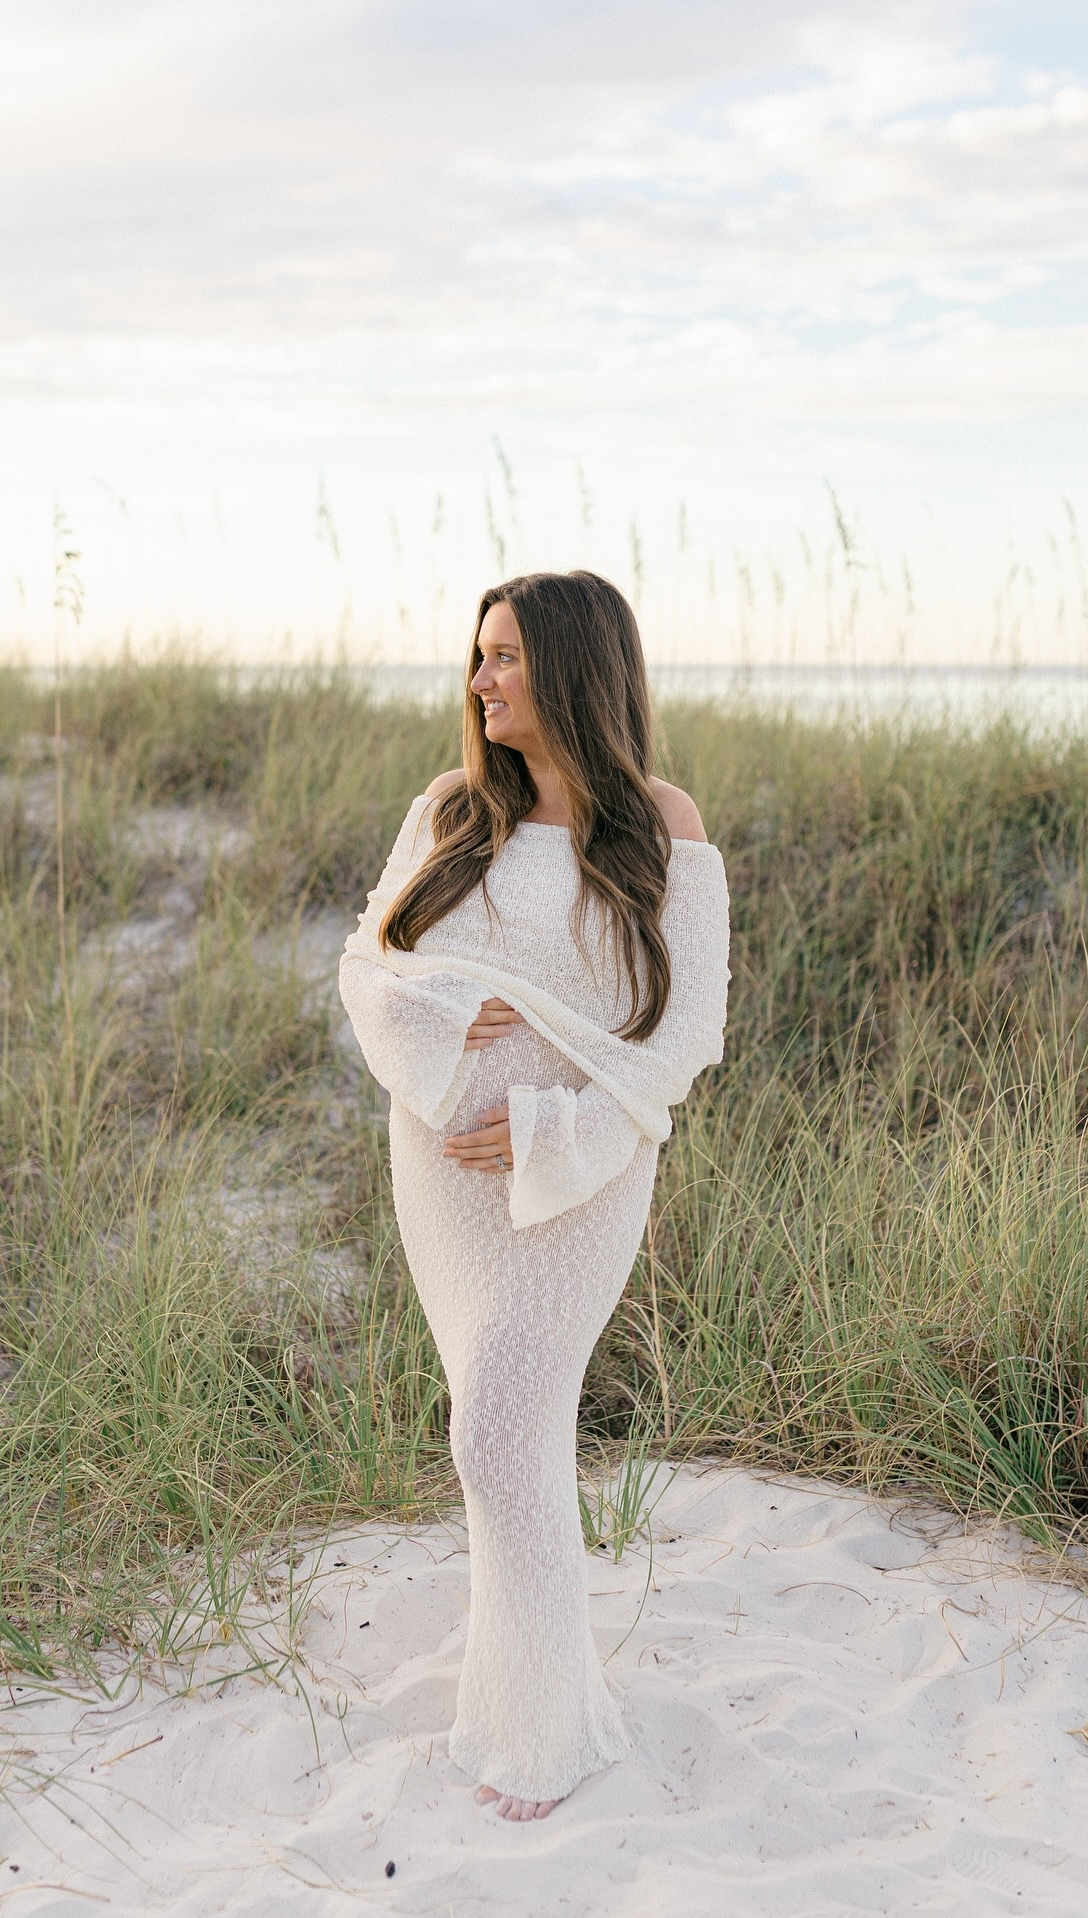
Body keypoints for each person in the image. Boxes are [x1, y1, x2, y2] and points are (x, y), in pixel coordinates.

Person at [338, 570, 730, 1821]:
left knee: (496, 1430)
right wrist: (459, 1010)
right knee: (505, 1433)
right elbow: (366, 966)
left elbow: (689, 1034)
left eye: (506, 655)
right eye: (478, 654)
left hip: (580, 1176)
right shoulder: (451, 812)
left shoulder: (662, 823)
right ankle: (515, 1696)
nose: (481, 678)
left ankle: (544, 1733)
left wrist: (553, 1119)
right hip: (442, 1179)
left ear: (573, 667)